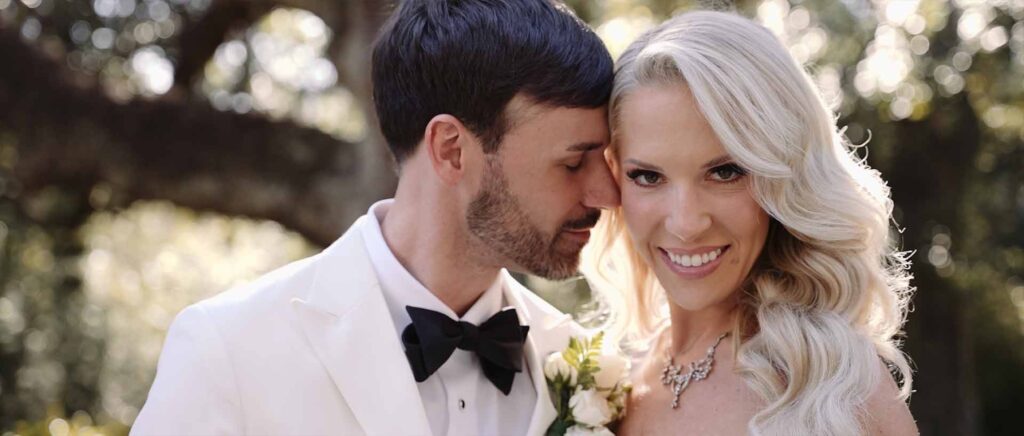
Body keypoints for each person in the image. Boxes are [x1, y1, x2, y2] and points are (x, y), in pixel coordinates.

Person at [131, 1, 619, 435]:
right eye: (573, 163)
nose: (607, 194)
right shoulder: (228, 350)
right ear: (451, 150)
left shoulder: (584, 366)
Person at [582, 10, 919, 435]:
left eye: (725, 172)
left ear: (784, 177)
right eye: (648, 176)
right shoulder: (604, 384)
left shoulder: (834, 383)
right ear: (614, 176)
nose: (687, 223)